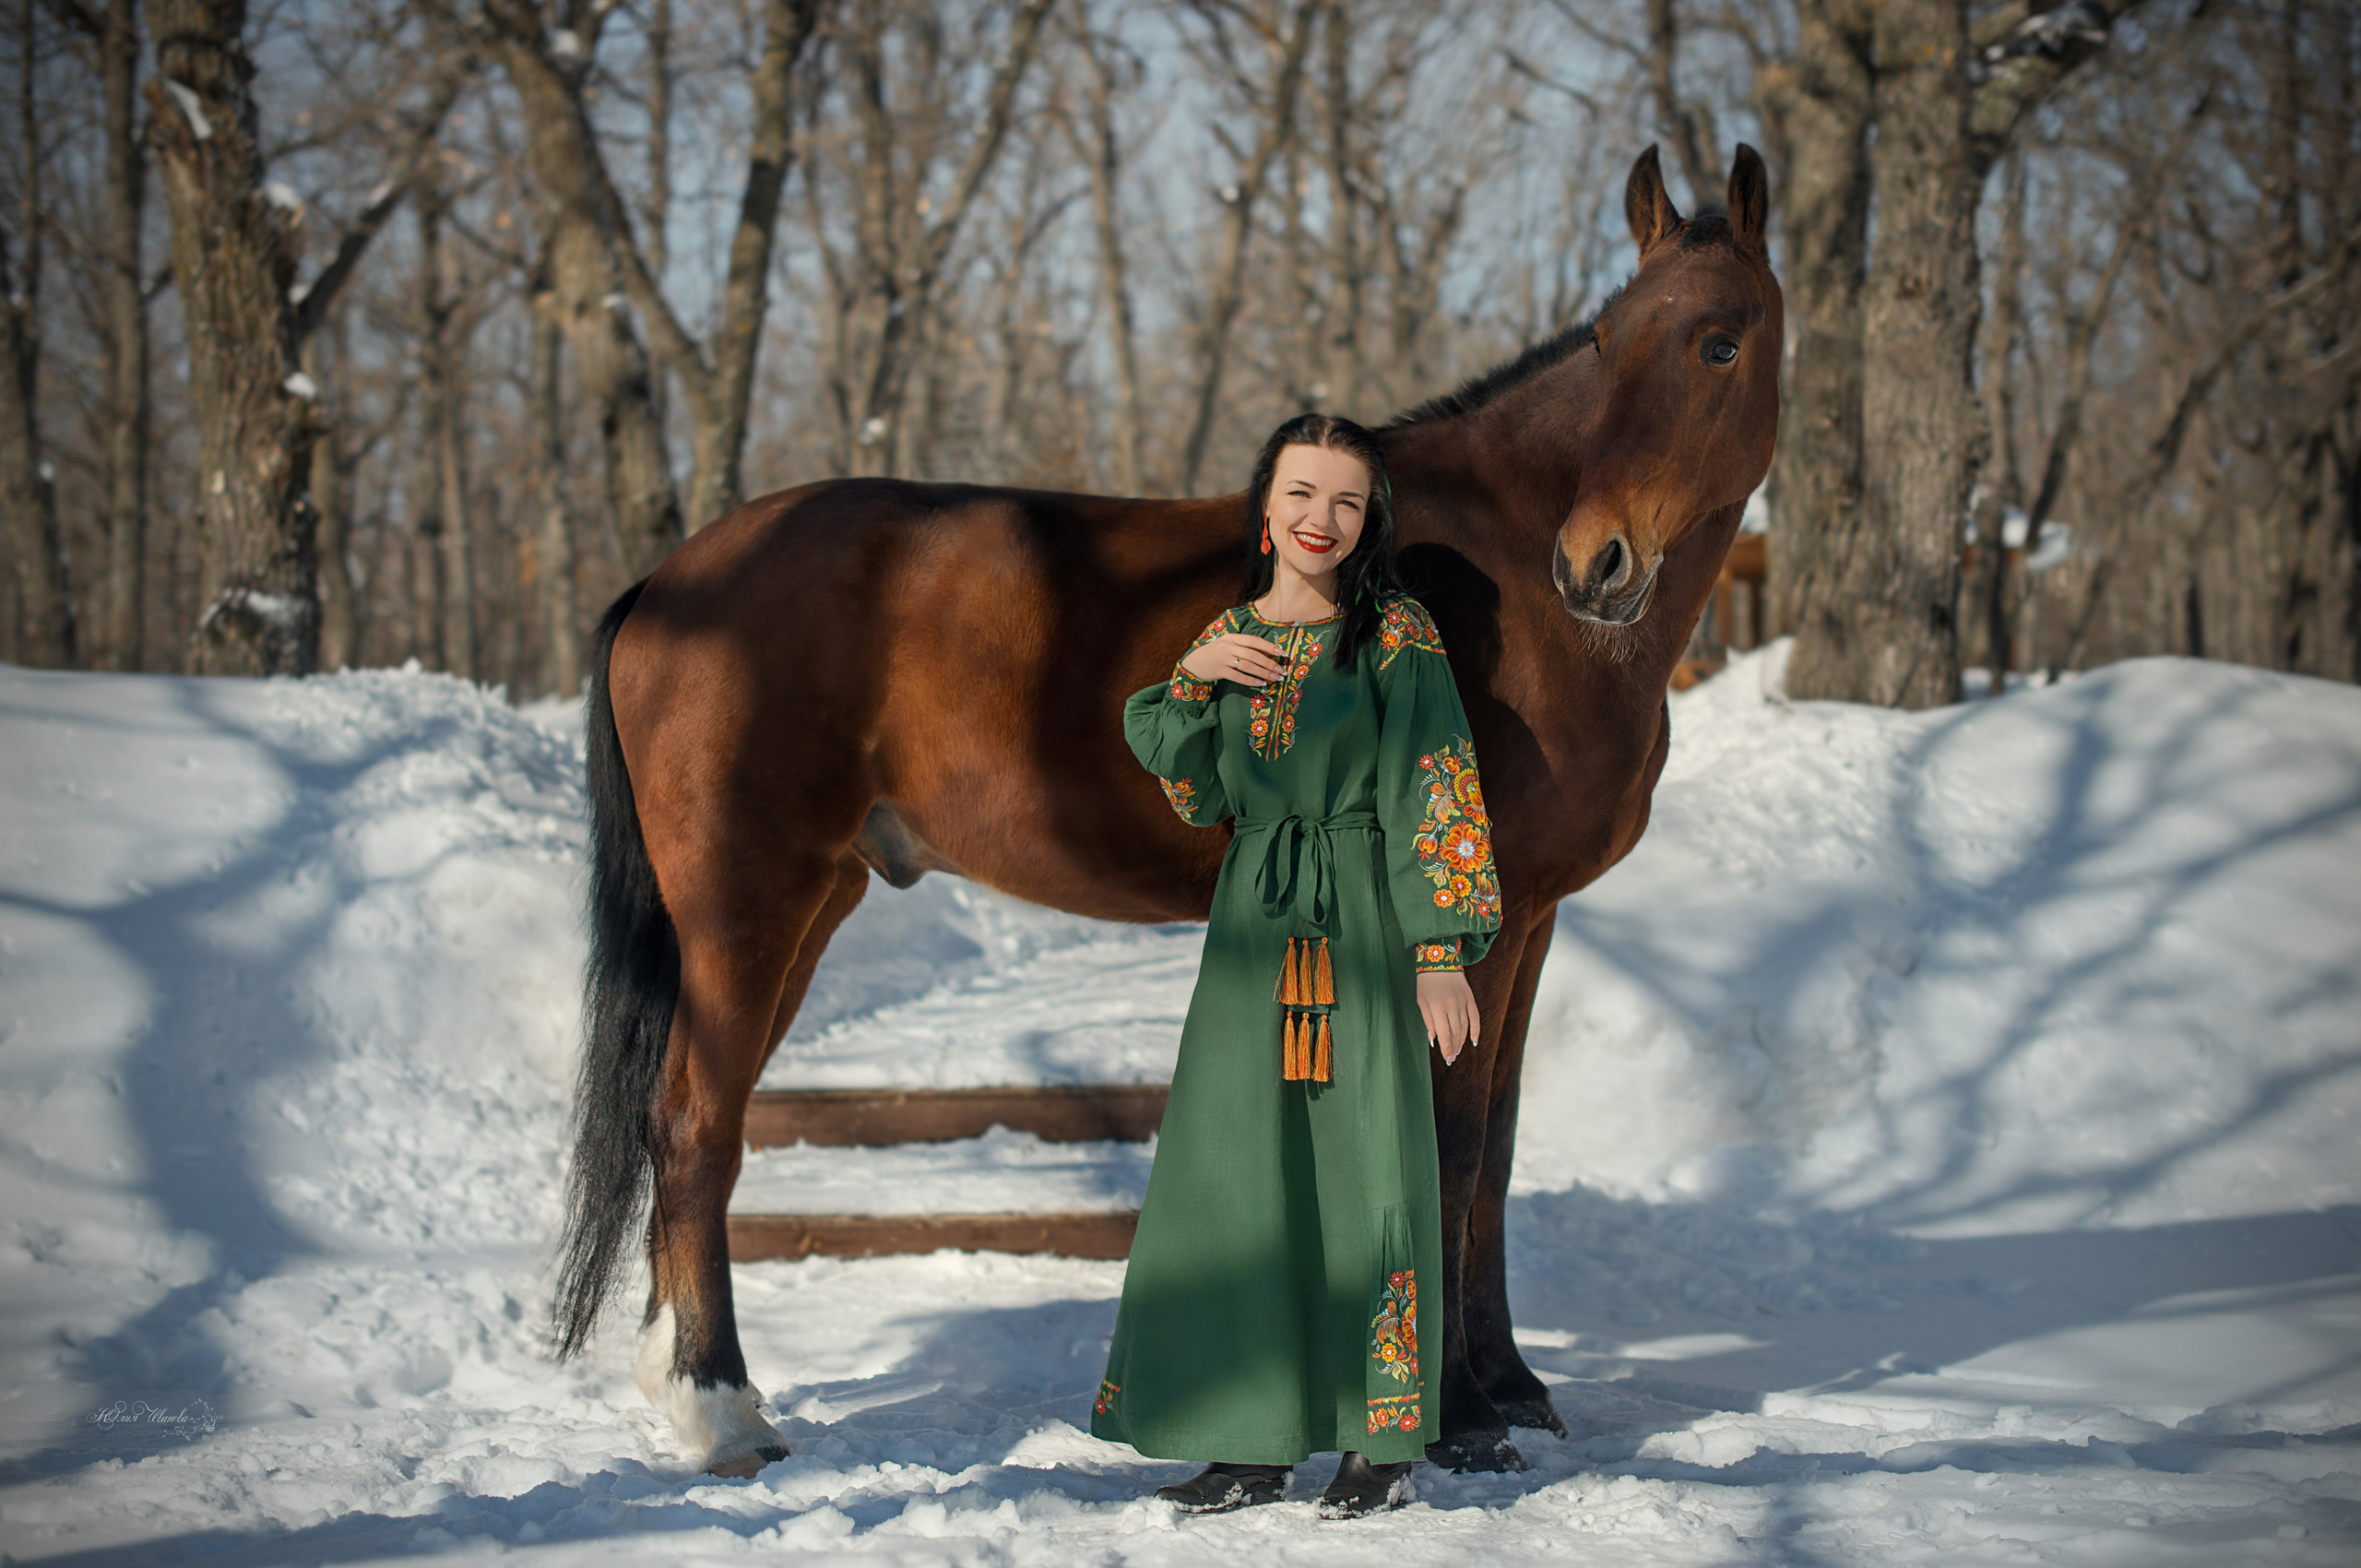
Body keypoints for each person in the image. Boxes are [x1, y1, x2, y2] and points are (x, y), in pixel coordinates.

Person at [1090, 413, 1502, 1520]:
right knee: (1237, 1173)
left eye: (1346, 502)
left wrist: (1437, 948)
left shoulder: (1396, 635)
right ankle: (1246, 1432)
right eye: (1301, 495)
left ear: (1367, 523)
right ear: (1264, 510)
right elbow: (1200, 795)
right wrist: (1187, 678)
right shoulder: (1228, 638)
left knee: (1365, 1163)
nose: (1321, 519)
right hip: (1252, 934)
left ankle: (1380, 1435)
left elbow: (1436, 779)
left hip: (1364, 918)